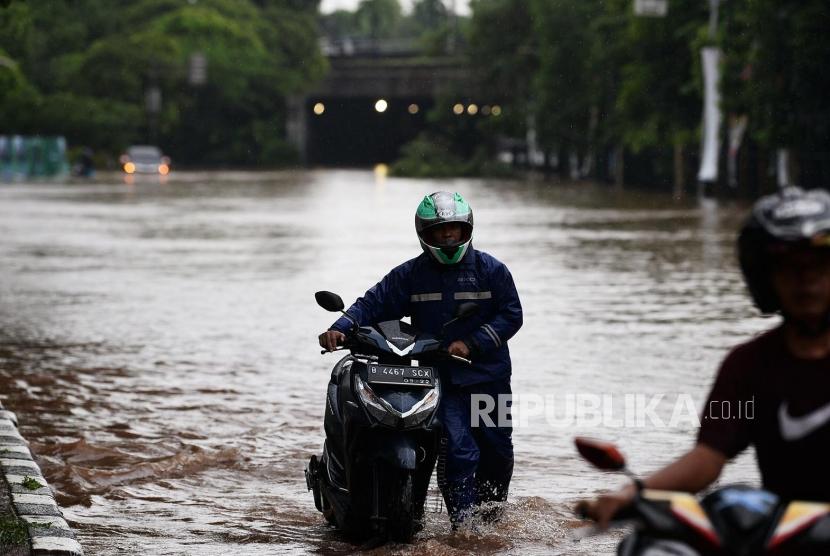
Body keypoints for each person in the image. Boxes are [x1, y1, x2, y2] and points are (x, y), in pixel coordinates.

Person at [580, 186, 830, 527]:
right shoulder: (747, 365)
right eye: (790, 268)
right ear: (766, 279)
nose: (806, 282)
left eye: (818, 267)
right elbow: (707, 458)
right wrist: (631, 493)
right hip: (788, 537)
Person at [318, 191, 523, 525]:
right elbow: (372, 304)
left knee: (497, 453)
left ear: (465, 229)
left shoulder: (492, 271)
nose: (446, 236)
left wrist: (471, 344)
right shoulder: (410, 275)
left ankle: (492, 522)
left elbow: (512, 315)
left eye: (453, 229)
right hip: (441, 380)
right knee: (459, 452)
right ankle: (465, 529)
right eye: (439, 230)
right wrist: (340, 328)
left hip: (490, 379)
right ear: (424, 234)